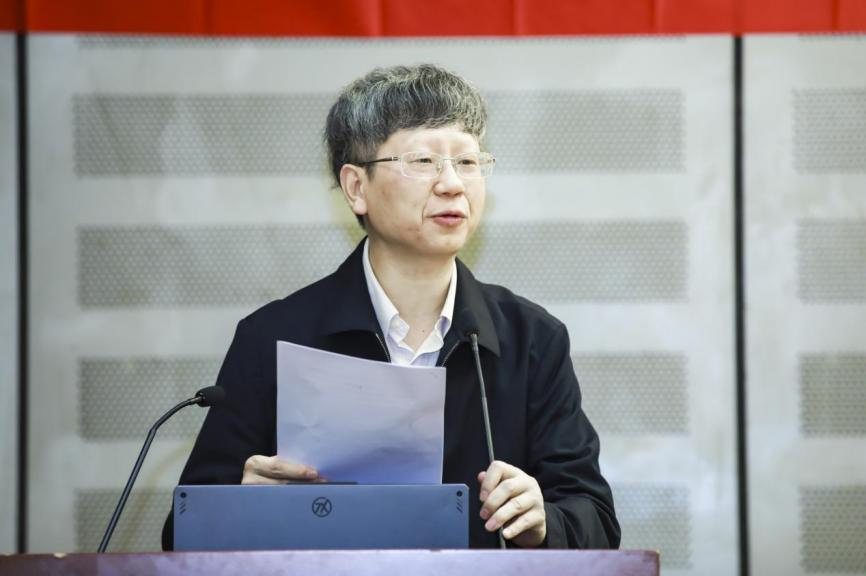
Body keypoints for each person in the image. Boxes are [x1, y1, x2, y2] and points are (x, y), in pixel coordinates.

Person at [162, 64, 619, 550]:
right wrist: (240, 507)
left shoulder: (532, 339)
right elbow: (182, 535)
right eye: (423, 161)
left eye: (467, 161)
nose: (452, 184)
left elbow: (596, 521)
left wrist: (545, 522)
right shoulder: (274, 337)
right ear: (357, 187)